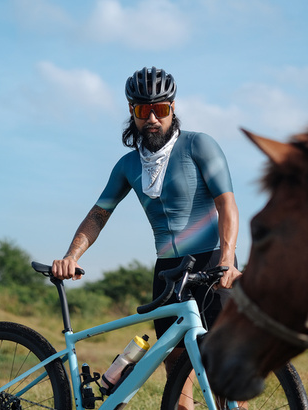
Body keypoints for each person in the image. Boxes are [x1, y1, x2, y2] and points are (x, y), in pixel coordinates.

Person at [52, 66, 241, 383]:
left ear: (173, 108)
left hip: (211, 263)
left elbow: (227, 204)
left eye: (161, 109)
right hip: (167, 271)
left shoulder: (199, 146)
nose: (152, 118)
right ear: (132, 111)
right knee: (177, 370)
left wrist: (226, 261)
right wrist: (72, 256)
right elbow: (98, 214)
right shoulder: (128, 165)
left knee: (224, 369)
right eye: (143, 109)